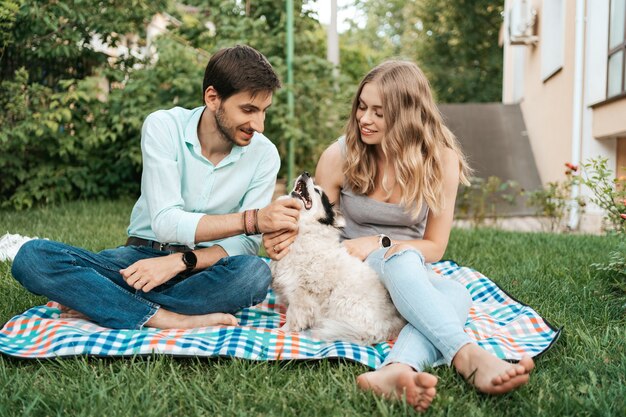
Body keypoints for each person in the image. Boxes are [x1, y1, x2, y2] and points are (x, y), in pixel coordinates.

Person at [263, 60, 535, 411]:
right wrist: (278, 240)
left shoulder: (440, 160)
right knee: (432, 285)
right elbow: (317, 226)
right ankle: (467, 356)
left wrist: (380, 242)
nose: (364, 118)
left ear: (407, 115)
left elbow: (435, 247)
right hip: (353, 276)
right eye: (362, 107)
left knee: (454, 291)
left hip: (405, 264)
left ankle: (396, 368)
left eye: (379, 111)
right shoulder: (339, 156)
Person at [12, 45, 301, 331]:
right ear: (213, 98)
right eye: (248, 109)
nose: (259, 124)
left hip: (205, 269)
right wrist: (252, 220)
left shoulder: (265, 154)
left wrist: (182, 261)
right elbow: (165, 222)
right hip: (139, 261)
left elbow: (245, 245)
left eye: (264, 111)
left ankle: (108, 303)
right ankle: (166, 317)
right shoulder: (163, 126)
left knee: (253, 274)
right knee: (33, 257)